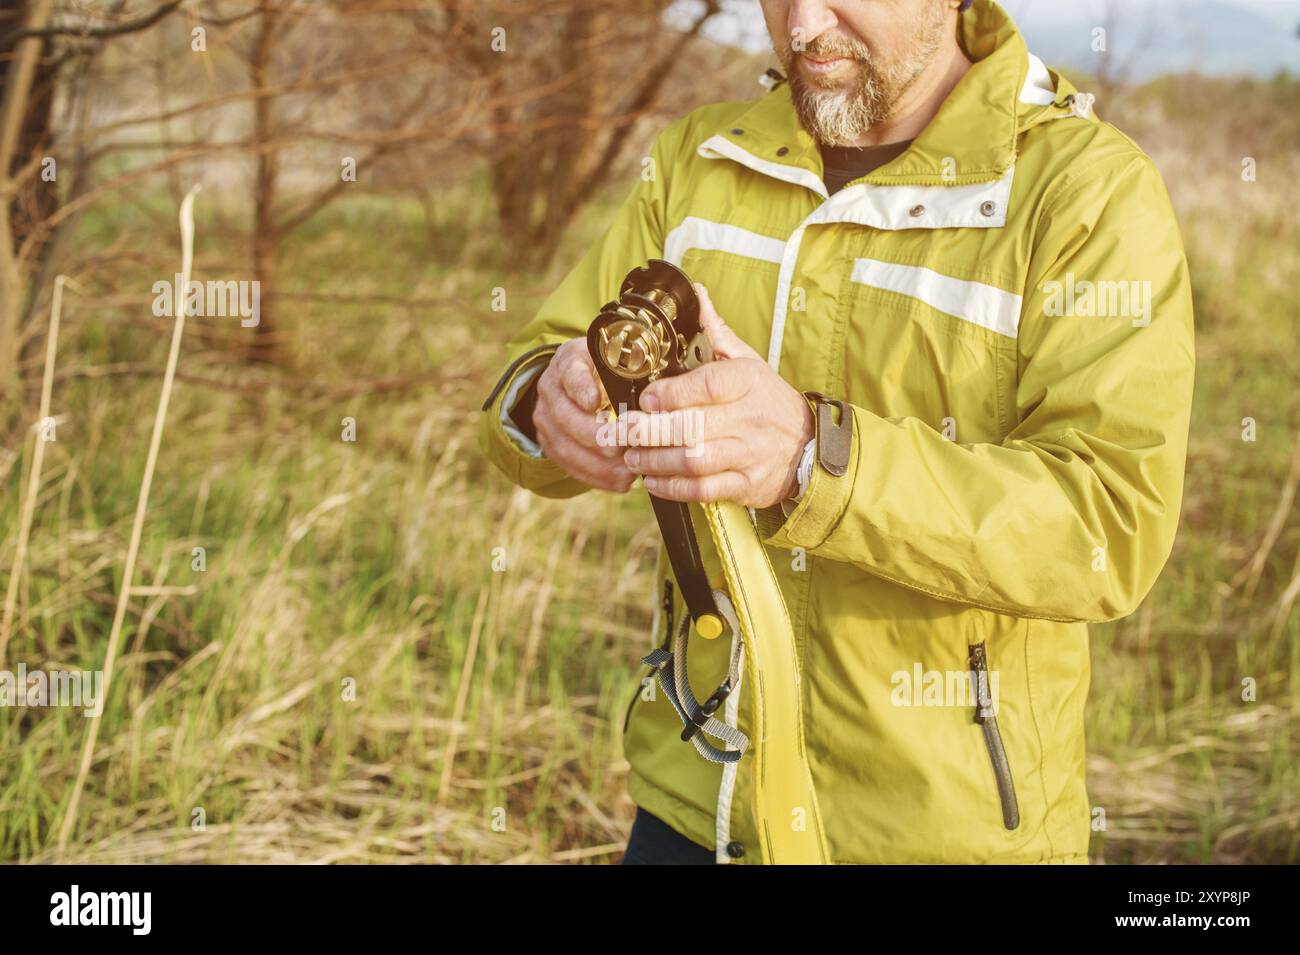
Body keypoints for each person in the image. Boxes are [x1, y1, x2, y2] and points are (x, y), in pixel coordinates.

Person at [479, 0, 1194, 864]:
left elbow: (1109, 526)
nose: (804, 26)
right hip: (695, 800)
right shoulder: (695, 160)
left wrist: (811, 460)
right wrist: (544, 408)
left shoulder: (1084, 192)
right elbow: (531, 371)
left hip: (943, 835)